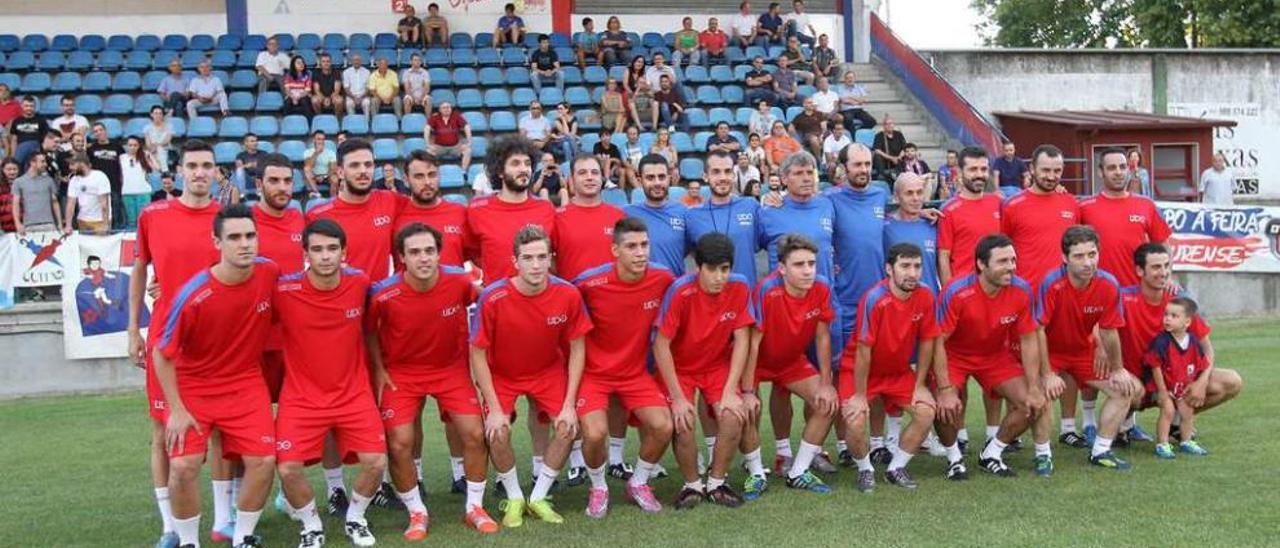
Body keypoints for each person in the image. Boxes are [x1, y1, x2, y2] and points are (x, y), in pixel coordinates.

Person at [152, 204, 278, 548]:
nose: (245, 244)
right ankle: (189, 541)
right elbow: (162, 355)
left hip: (245, 382)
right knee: (183, 467)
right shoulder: (193, 295)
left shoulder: (269, 274)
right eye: (234, 237)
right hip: (194, 387)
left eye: (250, 235)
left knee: (264, 461)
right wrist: (176, 409)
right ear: (217, 242)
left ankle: (242, 537)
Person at [367, 223, 498, 537]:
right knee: (399, 443)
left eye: (429, 251)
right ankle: (416, 512)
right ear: (402, 257)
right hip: (402, 373)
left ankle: (475, 507)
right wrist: (379, 368)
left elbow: (489, 302)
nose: (423, 258)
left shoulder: (458, 281)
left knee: (475, 433)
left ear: (439, 253)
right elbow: (369, 330)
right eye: (414, 252)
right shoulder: (384, 293)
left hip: (450, 370)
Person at [129, 140, 223, 548]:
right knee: (163, 432)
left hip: (219, 342)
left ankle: (225, 518)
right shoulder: (153, 214)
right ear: (179, 171)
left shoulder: (230, 217)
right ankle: (170, 526)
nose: (200, 172)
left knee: (222, 432)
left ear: (217, 173)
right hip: (167, 341)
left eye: (207, 166)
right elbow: (139, 269)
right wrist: (133, 328)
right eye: (193, 166)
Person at [274, 219, 387, 548]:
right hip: (300, 397)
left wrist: (379, 368)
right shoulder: (284, 289)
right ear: (305, 253)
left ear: (344, 252)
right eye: (317, 249)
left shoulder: (359, 283)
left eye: (332, 249)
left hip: (353, 394)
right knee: (289, 469)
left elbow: (376, 322)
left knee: (376, 462)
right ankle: (311, 525)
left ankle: (356, 518)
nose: (325, 256)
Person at [470, 225, 591, 526]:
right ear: (515, 261)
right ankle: (513, 497)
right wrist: (494, 408)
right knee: (497, 431)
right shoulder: (493, 296)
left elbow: (577, 348)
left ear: (550, 258)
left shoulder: (568, 293)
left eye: (541, 257)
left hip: (548, 371)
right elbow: (477, 353)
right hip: (504, 373)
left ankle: (537, 497)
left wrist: (569, 403)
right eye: (527, 258)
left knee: (567, 426)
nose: (535, 265)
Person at [573, 217, 676, 516]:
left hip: (635, 373)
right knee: (593, 434)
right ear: (615, 250)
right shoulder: (589, 282)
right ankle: (599, 487)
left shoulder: (663, 278)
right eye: (631, 246)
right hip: (594, 374)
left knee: (663, 426)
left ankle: (639, 482)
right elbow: (562, 306)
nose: (640, 252)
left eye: (644, 245)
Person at [655, 233, 755, 510]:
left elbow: (742, 338)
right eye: (711, 269)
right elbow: (661, 345)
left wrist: (730, 390)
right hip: (681, 368)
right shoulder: (680, 290)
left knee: (734, 415)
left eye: (724, 269)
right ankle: (692, 485)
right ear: (697, 267)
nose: (719, 277)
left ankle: (716, 482)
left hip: (716, 366)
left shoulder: (739, 286)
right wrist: (676, 398)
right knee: (683, 421)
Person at [934, 234, 1045, 479]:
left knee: (1032, 402)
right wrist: (944, 389)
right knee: (945, 406)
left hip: (994, 356)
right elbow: (937, 342)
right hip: (954, 355)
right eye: (1003, 261)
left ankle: (992, 453)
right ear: (981, 265)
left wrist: (1035, 386)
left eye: (1013, 260)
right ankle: (954, 458)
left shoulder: (1021, 289)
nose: (1011, 267)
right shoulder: (956, 291)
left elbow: (1028, 339)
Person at [1035, 225, 1140, 473]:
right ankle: (1042, 455)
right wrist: (1047, 373)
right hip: (1051, 353)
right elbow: (1037, 331)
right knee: (1039, 397)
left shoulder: (1108, 284)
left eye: (1092, 254)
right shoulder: (1051, 283)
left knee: (1127, 389)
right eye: (1079, 256)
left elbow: (1109, 329)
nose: (1087, 262)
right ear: (1065, 258)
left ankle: (1101, 450)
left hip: (1083, 352)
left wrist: (1118, 369)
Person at [839, 242, 942, 490]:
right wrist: (861, 396)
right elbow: (863, 352)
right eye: (905, 266)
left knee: (926, 411)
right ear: (889, 269)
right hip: (859, 371)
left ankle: (896, 468)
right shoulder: (874, 298)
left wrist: (919, 386)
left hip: (898, 373)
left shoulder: (926, 294)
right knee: (854, 421)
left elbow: (928, 341)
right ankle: (865, 469)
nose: (913, 273)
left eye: (917, 266)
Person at [746, 234, 839, 496]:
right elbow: (752, 344)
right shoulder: (766, 290)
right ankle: (755, 472)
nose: (808, 270)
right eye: (799, 265)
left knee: (827, 403)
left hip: (791, 362)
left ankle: (798, 471)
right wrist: (747, 390)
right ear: (781, 268)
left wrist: (826, 382)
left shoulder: (821, 288)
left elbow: (822, 337)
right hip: (758, 362)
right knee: (747, 411)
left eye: (811, 263)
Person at [1123, 244, 1241, 444]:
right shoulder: (1123, 298)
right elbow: (1099, 328)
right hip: (1139, 385)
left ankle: (1176, 424)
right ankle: (1122, 423)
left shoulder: (1179, 302)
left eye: (1166, 266)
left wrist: (1200, 383)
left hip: (1176, 384)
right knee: (1126, 389)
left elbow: (1207, 350)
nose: (1164, 273)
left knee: (1232, 381)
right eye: (1156, 267)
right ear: (1140, 271)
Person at [305, 137, 405, 284]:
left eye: (368, 165)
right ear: (339, 172)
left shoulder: (390, 200)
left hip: (379, 301)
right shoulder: (317, 216)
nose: (363, 171)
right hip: (340, 302)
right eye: (355, 165)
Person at [466, 136, 557, 284]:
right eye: (515, 163)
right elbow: (473, 253)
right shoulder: (477, 209)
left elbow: (553, 255)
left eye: (527, 164)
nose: (523, 169)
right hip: (497, 300)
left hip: (538, 297)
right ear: (500, 172)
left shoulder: (546, 208)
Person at [1079, 146, 1172, 288]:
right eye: (1111, 168)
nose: (1118, 172)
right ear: (1100, 172)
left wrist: (1168, 276)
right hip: (1097, 292)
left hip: (1137, 291)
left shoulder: (1146, 205)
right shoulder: (1084, 207)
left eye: (1123, 167)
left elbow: (1163, 245)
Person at [1145, 298, 1211, 459]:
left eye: (1174, 316)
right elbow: (1155, 366)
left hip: (1182, 387)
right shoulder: (1161, 341)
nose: (1167, 318)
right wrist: (1162, 391)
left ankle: (1186, 441)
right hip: (1163, 388)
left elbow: (1202, 364)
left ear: (1187, 322)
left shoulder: (1193, 341)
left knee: (1187, 411)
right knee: (1168, 410)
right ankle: (1162, 444)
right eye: (1166, 314)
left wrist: (1195, 384)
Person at [685, 151, 760, 282]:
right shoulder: (692, 215)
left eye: (727, 171)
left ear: (733, 175)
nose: (723, 177)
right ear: (705, 176)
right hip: (710, 295)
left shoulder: (751, 206)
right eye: (716, 172)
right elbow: (692, 253)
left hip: (746, 295)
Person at [553, 156, 626, 281]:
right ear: (572, 179)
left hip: (612, 296)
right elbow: (549, 262)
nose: (589, 177)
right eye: (582, 173)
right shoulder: (557, 217)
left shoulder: (618, 216)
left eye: (595, 172)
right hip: (575, 297)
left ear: (601, 178)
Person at [394, 150, 468, 268]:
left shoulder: (460, 213)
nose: (427, 182)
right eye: (419, 176)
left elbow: (478, 257)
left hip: (452, 286)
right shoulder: (395, 214)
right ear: (406, 180)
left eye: (432, 175)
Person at [938, 146, 1001, 284]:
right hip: (964, 289)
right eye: (973, 169)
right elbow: (943, 257)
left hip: (996, 288)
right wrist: (949, 293)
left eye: (983, 169)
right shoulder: (949, 211)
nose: (979, 174)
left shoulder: (998, 203)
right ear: (960, 172)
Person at [624, 154, 689, 275]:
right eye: (650, 178)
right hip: (641, 290)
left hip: (674, 289)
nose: (657, 183)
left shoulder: (684, 212)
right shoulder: (626, 214)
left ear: (669, 178)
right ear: (640, 180)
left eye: (661, 177)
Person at [883, 173, 939, 291]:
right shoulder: (884, 226)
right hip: (898, 303)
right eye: (909, 193)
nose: (916, 198)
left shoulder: (934, 223)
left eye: (919, 192)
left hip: (930, 302)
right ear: (897, 197)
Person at [12, 152, 63, 235]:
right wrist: (18, 224)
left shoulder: (49, 180)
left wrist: (60, 223)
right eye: (42, 161)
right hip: (29, 226)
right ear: (32, 163)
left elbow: (55, 202)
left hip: (49, 224)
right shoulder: (19, 182)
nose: (45, 164)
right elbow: (15, 204)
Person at [88, 123, 125, 229]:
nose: (99, 132)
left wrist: (122, 182)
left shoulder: (117, 147)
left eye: (100, 130)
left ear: (105, 131)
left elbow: (122, 166)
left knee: (115, 212)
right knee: (100, 212)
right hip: (98, 187)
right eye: (96, 131)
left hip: (114, 184)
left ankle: (116, 234)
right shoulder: (91, 149)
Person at [64, 153, 111, 233]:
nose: (70, 167)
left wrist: (105, 224)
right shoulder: (74, 180)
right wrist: (68, 225)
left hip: (100, 220)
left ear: (81, 163)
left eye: (72, 164)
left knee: (100, 245)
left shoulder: (100, 176)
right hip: (82, 220)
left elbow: (104, 204)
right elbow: (70, 204)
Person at [425, 102, 472, 173]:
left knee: (468, 150)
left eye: (448, 107)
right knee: (428, 151)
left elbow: (466, 126)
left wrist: (469, 142)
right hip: (439, 146)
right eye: (444, 107)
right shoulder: (435, 117)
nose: (446, 109)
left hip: (455, 146)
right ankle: (433, 171)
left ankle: (463, 171)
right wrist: (427, 144)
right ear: (440, 110)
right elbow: (427, 128)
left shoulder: (456, 116)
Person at [120, 137, 154, 229]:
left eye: (135, 145)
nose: (132, 147)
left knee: (144, 220)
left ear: (139, 146)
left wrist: (150, 156)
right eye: (130, 145)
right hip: (127, 192)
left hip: (143, 192)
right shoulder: (121, 158)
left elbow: (157, 168)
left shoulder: (143, 157)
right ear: (126, 146)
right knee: (131, 222)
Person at [6, 96, 47, 167]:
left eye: (31, 106)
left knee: (31, 144)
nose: (29, 108)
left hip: (36, 147)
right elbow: (14, 140)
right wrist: (13, 155)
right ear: (22, 106)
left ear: (35, 107)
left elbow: (45, 138)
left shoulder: (41, 120)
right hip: (21, 148)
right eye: (26, 106)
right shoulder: (17, 121)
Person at [871, 116, 906, 182]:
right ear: (883, 126)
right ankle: (882, 176)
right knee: (877, 156)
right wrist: (891, 158)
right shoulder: (879, 136)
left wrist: (898, 157)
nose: (889, 125)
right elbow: (877, 150)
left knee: (907, 155)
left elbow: (904, 148)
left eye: (891, 123)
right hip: (885, 161)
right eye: (887, 124)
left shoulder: (899, 134)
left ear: (894, 125)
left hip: (898, 160)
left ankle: (900, 177)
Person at [311, 52, 345, 118]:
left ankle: (337, 120)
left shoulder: (336, 72)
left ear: (331, 62)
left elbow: (337, 90)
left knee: (339, 100)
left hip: (333, 95)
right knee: (314, 100)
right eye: (323, 61)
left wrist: (329, 98)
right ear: (320, 63)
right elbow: (317, 90)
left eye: (328, 61)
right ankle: (319, 118)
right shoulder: (316, 72)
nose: (326, 63)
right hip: (321, 95)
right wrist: (324, 98)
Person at [302, 131, 335, 197]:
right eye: (318, 139)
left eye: (323, 139)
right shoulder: (307, 152)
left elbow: (333, 168)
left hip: (326, 176)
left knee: (335, 178)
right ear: (314, 140)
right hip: (313, 177)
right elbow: (309, 166)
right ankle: (317, 194)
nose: (321, 141)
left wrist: (324, 176)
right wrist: (316, 153)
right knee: (306, 169)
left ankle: (333, 199)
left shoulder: (330, 152)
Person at [144, 106, 174, 173]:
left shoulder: (169, 126)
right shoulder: (147, 127)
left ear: (163, 115)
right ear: (151, 114)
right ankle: (164, 171)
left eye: (160, 113)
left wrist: (156, 146)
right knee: (148, 154)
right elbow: (148, 143)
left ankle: (161, 171)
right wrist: (153, 148)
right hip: (152, 150)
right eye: (156, 113)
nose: (158, 115)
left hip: (166, 149)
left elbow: (167, 141)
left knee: (160, 150)